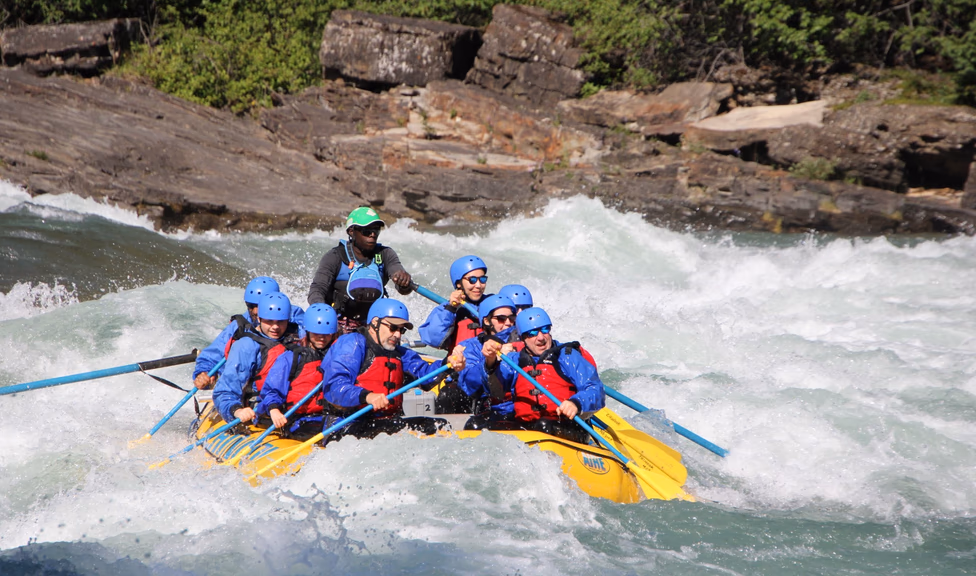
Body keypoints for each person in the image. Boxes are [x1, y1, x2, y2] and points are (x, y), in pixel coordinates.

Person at [320, 298, 466, 442]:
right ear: (375, 323)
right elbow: (334, 387)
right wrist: (367, 396)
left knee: (437, 425)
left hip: (384, 423)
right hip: (346, 425)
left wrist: (447, 364)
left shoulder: (400, 353)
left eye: (401, 330)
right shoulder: (353, 343)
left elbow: (426, 376)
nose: (397, 335)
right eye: (393, 328)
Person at [474, 307, 605, 444]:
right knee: (476, 425)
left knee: (543, 426)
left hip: (566, 426)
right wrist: (490, 361)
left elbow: (595, 389)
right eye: (532, 333)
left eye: (545, 330)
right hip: (528, 426)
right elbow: (494, 390)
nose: (541, 337)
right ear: (523, 338)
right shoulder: (514, 360)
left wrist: (576, 403)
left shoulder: (567, 356)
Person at [308, 207, 413, 334]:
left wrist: (403, 281)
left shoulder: (385, 254)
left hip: (372, 326)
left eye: (376, 230)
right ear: (351, 231)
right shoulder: (335, 256)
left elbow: (402, 287)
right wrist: (326, 320)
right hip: (339, 325)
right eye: (367, 230)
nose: (373, 234)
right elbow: (316, 291)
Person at [212, 292, 302, 425]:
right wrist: (237, 411)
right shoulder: (246, 346)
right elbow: (224, 390)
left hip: (293, 410)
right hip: (260, 414)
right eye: (269, 321)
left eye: (280, 321)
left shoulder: (300, 337)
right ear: (259, 319)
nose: (275, 327)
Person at [255, 303, 339, 438]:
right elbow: (272, 389)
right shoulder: (291, 357)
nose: (322, 338)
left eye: (327, 333)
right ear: (308, 331)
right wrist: (274, 409)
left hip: (328, 418)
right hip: (298, 420)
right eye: (317, 333)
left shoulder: (339, 357)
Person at [192, 276, 279, 390]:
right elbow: (211, 357)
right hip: (246, 390)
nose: (255, 311)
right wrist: (203, 373)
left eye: (260, 306)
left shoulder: (293, 320)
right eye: (251, 306)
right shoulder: (239, 326)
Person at [451, 294, 518, 415]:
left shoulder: (524, 340)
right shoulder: (470, 346)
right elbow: (470, 384)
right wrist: (491, 360)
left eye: (512, 318)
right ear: (486, 321)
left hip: (520, 406)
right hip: (491, 409)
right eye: (501, 319)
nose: (508, 323)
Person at [418, 255, 489, 351]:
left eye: (482, 279)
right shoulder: (446, 309)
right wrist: (451, 309)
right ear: (459, 283)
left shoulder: (493, 303)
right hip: (460, 363)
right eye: (472, 280)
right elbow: (433, 339)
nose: (478, 285)